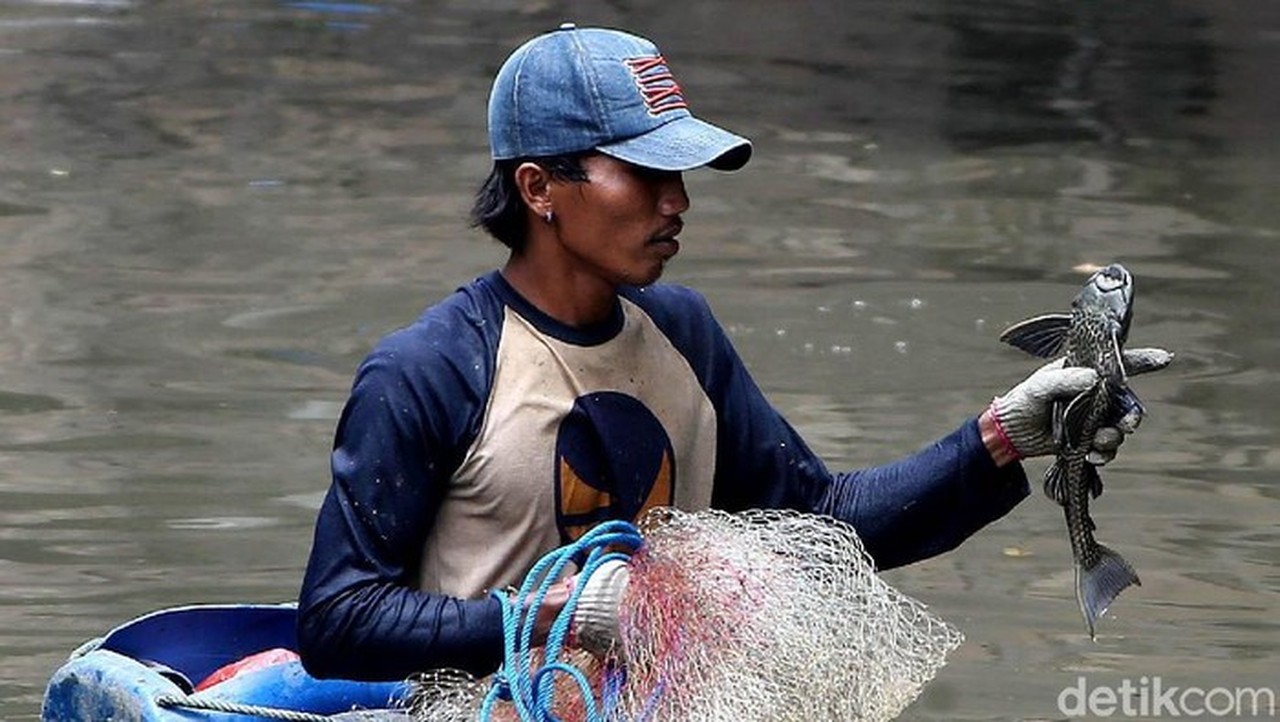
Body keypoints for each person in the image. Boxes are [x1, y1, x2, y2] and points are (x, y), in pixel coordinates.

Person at [296, 24, 1149, 681]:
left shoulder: (683, 333)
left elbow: (822, 527)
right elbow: (338, 624)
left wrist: (1004, 434)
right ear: (538, 187)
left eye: (682, 174)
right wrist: (562, 614)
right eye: (643, 171)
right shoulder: (429, 370)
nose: (678, 201)